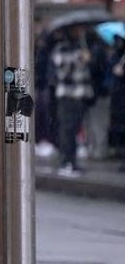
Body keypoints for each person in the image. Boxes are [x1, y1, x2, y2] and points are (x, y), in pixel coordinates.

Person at [51, 28, 95, 175]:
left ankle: (73, 161)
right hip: (67, 95)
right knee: (67, 129)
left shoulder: (81, 47)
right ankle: (66, 161)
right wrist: (79, 58)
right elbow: (63, 71)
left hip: (80, 95)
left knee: (75, 129)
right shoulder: (61, 48)